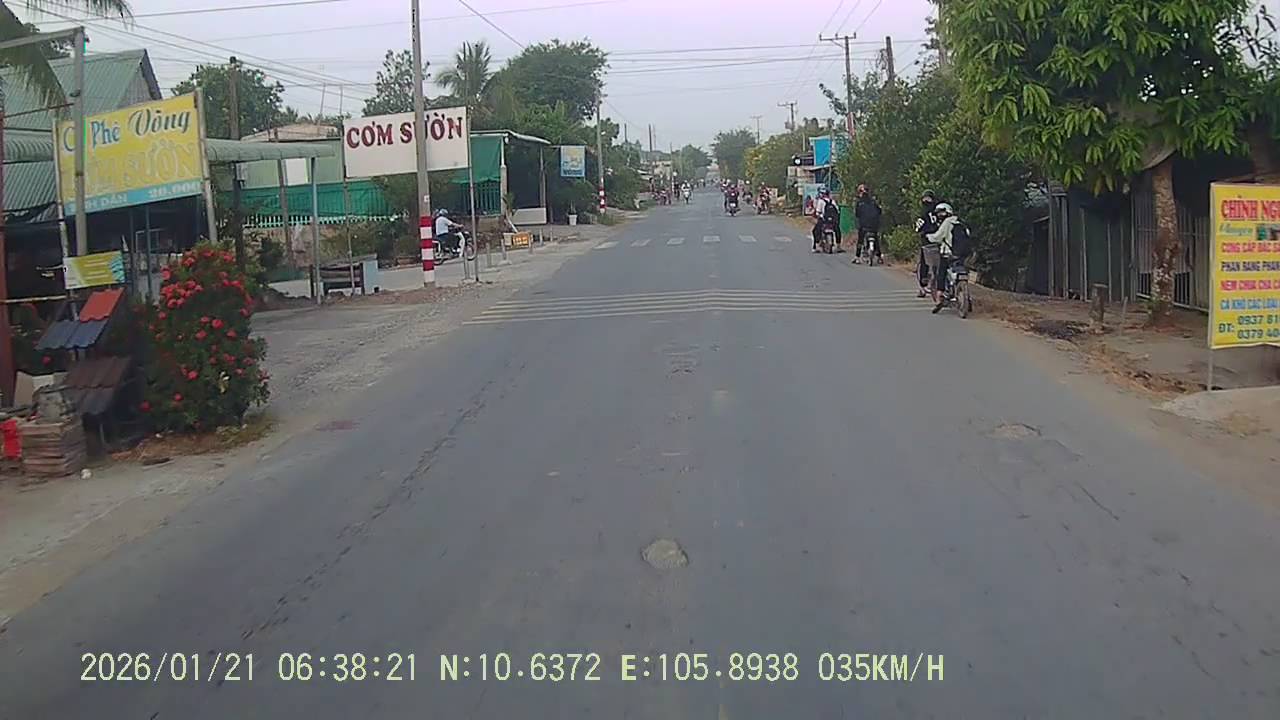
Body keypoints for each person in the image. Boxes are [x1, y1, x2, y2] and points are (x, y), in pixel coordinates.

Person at [927, 203, 973, 313]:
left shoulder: (947, 223)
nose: (939, 215)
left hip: (949, 254)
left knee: (941, 272)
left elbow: (937, 237)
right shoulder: (960, 221)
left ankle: (940, 295)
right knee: (960, 268)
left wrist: (928, 236)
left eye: (941, 213)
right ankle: (967, 298)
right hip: (964, 254)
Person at [914, 190, 940, 297]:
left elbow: (917, 228)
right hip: (940, 239)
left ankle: (923, 285)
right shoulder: (940, 211)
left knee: (924, 261)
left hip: (927, 241)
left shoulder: (923, 213)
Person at [852, 184, 882, 263]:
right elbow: (879, 211)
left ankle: (857, 257)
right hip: (874, 225)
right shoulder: (873, 201)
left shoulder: (859, 203)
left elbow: (857, 214)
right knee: (876, 239)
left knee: (860, 240)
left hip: (864, 225)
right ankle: (879, 256)